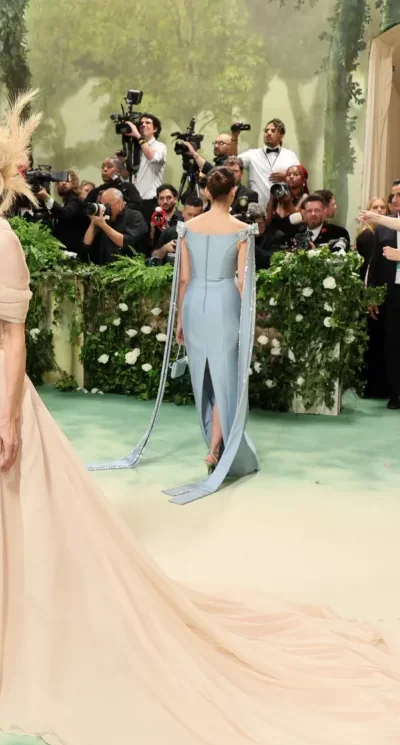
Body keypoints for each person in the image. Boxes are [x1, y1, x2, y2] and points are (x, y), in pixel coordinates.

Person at [0, 96, 400, 745]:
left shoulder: (0, 242)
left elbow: (11, 338)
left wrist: (7, 416)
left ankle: (5, 642)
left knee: (5, 522)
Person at [171, 167, 258, 498]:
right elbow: (243, 282)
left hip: (194, 301)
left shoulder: (187, 227)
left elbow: (183, 278)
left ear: (207, 192)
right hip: (224, 302)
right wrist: (249, 318)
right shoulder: (242, 230)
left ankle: (214, 443)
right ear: (233, 192)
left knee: (204, 375)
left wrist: (180, 318)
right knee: (224, 373)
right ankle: (217, 446)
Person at [358, 198, 400, 409]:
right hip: (393, 293)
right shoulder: (383, 229)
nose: (396, 200)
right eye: (394, 195)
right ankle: (396, 393)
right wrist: (372, 295)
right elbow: (373, 264)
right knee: (392, 342)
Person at [356, 198, 390, 399]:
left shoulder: (383, 233)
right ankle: (375, 386)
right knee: (376, 340)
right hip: (373, 292)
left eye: (382, 207)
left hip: (378, 291)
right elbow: (371, 267)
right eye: (375, 207)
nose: (379, 210)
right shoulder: (368, 235)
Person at [231, 119, 300, 206]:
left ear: (281, 135)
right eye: (266, 130)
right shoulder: (252, 155)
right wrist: (234, 137)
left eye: (273, 131)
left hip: (283, 208)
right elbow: (232, 162)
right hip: (257, 208)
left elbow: (301, 179)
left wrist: (286, 177)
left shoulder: (290, 155)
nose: (269, 133)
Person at [82, 187, 147, 264]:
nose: (104, 208)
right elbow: (86, 244)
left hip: (127, 266)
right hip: (102, 266)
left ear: (119, 203)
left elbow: (126, 242)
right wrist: (93, 221)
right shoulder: (103, 218)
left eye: (107, 205)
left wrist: (103, 225)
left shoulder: (135, 216)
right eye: (102, 204)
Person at [35, 170, 89, 256]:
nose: (63, 183)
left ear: (74, 184)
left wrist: (46, 197)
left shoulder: (75, 200)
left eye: (67, 181)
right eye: (60, 181)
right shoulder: (66, 202)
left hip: (73, 254)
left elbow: (65, 214)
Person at [125, 112, 167, 222]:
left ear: (155, 129)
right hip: (133, 202)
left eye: (148, 123)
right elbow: (126, 175)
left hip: (150, 202)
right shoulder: (136, 149)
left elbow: (151, 157)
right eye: (141, 123)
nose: (143, 125)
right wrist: (121, 161)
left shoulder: (160, 146)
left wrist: (138, 135)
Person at [266, 164, 309, 243]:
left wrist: (289, 203)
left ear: (303, 180)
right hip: (275, 241)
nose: (291, 177)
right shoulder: (279, 197)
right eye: (288, 175)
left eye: (296, 174)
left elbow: (300, 224)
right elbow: (267, 222)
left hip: (295, 240)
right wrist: (272, 198)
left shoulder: (305, 198)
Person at [248, 202, 286, 270]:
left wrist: (249, 245)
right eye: (253, 224)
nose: (256, 227)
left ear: (264, 221)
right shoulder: (245, 235)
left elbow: (271, 260)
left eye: (259, 224)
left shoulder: (277, 235)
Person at [149, 183, 183, 250]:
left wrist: (167, 231)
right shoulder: (153, 217)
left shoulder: (182, 218)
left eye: (168, 198)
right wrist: (152, 231)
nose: (165, 201)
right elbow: (149, 248)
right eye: (161, 198)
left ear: (175, 199)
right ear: (158, 201)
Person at [224, 156, 258, 220]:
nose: (232, 174)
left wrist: (227, 207)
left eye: (235, 171)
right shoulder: (217, 192)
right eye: (229, 171)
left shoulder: (251, 195)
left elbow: (248, 220)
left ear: (241, 173)